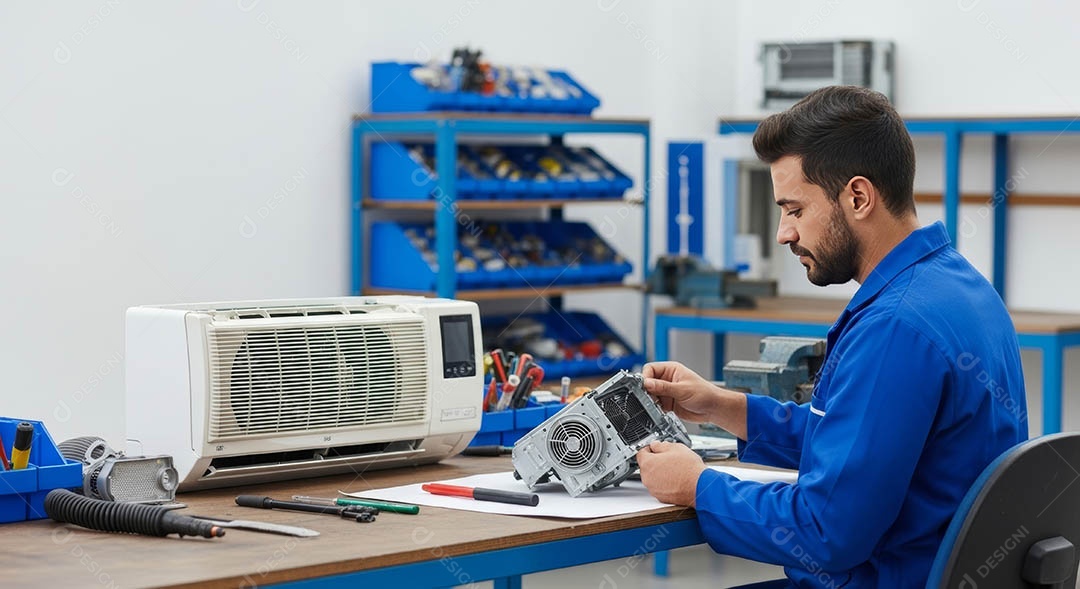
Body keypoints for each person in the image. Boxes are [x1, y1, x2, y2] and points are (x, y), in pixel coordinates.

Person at [636, 86, 1028, 588]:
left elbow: (826, 533)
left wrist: (698, 486)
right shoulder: (961, 287)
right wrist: (720, 406)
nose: (784, 233)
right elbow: (858, 444)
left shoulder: (894, 328)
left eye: (795, 210)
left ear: (858, 197)